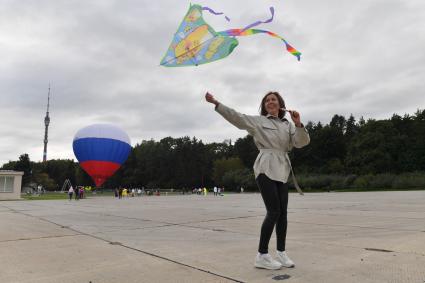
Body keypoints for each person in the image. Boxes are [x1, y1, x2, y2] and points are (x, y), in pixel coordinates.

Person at [205, 91, 310, 270]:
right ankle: (262, 255)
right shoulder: (258, 121)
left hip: (283, 168)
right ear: (264, 105)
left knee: (283, 213)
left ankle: (281, 253)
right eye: (267, 100)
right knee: (274, 211)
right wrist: (217, 103)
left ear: (280, 104)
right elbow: (237, 118)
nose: (270, 102)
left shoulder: (288, 125)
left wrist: (298, 123)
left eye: (274, 100)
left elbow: (302, 142)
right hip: (265, 167)